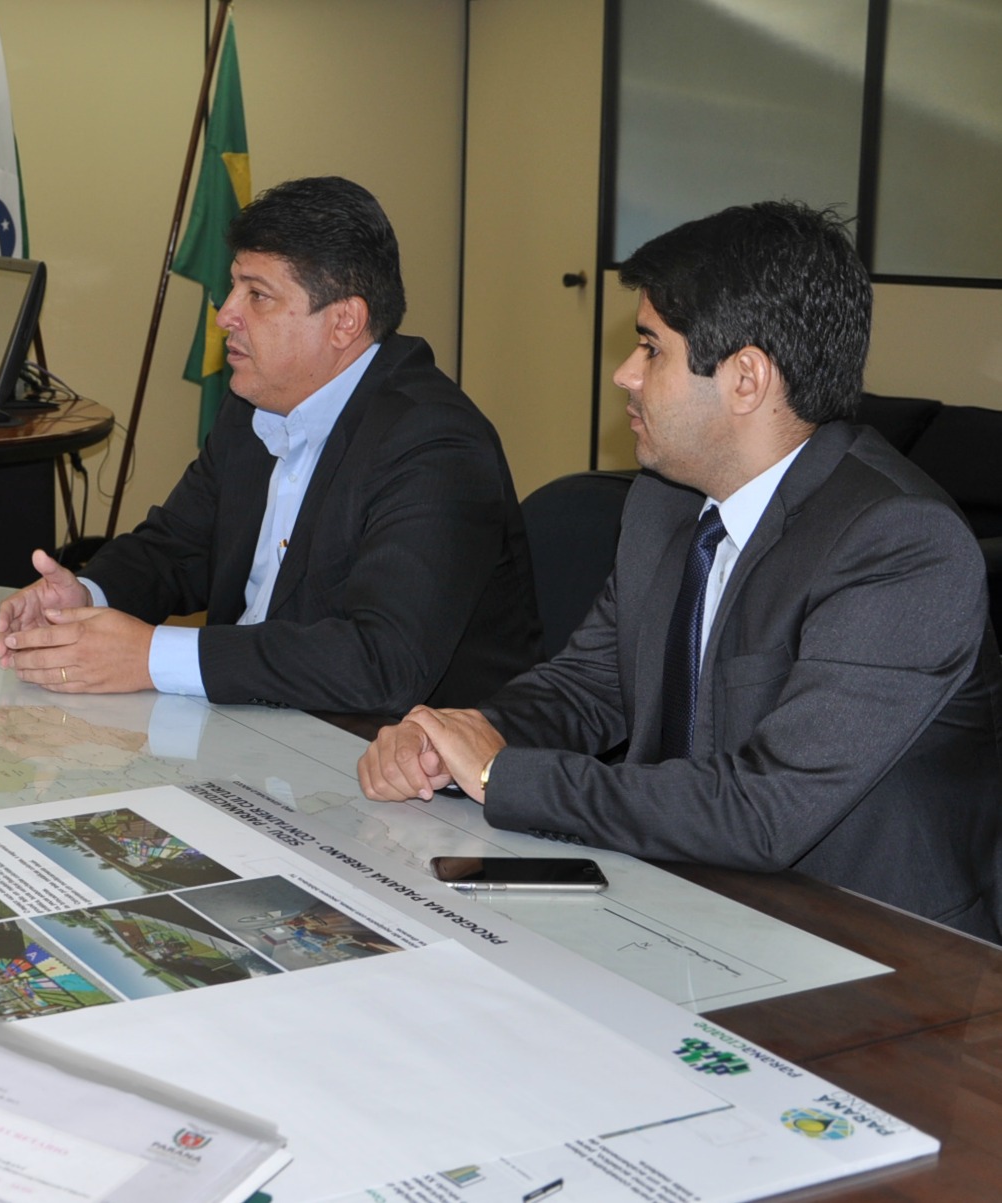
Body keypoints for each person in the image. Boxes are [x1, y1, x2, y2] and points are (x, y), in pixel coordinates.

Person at [358, 202, 1002, 939]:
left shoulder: (900, 545)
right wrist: (454, 737)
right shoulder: (665, 500)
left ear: (746, 377)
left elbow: (764, 810)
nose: (625, 375)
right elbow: (590, 685)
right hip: (684, 895)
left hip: (873, 947)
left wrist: (500, 776)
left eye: (651, 349)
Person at [0, 176, 537, 715]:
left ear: (344, 321)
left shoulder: (435, 445)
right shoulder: (256, 404)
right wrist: (86, 596)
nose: (225, 314)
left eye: (257, 295)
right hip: (254, 724)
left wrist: (149, 655)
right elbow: (178, 548)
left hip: (385, 750)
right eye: (233, 286)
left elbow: (382, 662)